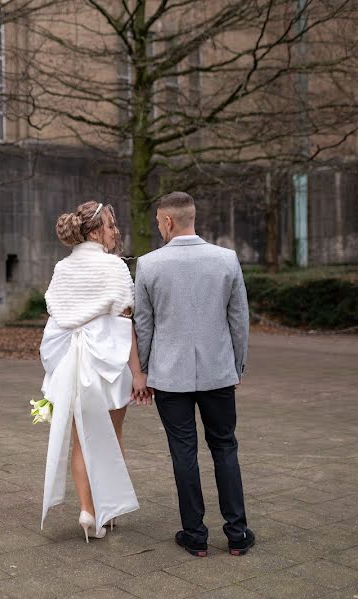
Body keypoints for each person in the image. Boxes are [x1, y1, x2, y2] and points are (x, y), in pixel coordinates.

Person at [133, 191, 255, 557]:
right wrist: (238, 365)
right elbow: (239, 319)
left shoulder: (149, 265)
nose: (158, 228)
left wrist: (142, 371)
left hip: (169, 376)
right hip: (219, 372)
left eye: (158, 222)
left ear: (168, 221)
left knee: (183, 452)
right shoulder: (226, 259)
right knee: (225, 447)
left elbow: (143, 323)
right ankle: (237, 534)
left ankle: (195, 535)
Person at [39, 200, 149, 542]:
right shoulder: (113, 268)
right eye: (111, 226)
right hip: (109, 365)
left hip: (73, 365)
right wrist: (139, 373)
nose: (116, 232)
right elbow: (125, 323)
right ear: (95, 232)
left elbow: (57, 318)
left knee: (80, 442)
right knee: (112, 439)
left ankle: (88, 511)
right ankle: (107, 508)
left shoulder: (62, 269)